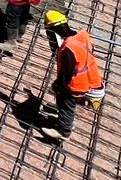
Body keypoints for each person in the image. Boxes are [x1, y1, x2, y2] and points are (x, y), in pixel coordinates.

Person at [42, 10, 106, 143]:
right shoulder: (82, 35)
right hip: (90, 77)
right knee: (64, 102)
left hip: (76, 84)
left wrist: (58, 85)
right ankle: (62, 118)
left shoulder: (69, 48)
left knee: (67, 106)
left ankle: (63, 131)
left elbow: (67, 72)